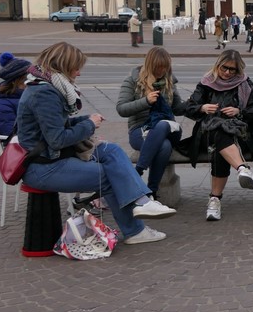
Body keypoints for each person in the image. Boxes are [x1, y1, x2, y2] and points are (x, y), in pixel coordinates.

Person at [17, 42, 175, 245]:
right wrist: (89, 125)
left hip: (50, 159)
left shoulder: (45, 86)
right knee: (107, 175)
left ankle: (143, 202)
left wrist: (83, 120)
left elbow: (55, 127)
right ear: (63, 67)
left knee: (111, 150)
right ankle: (135, 230)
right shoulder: (44, 94)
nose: (78, 73)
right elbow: (57, 140)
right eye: (76, 68)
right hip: (43, 167)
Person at [184, 50, 253, 222]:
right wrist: (203, 108)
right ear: (217, 65)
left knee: (220, 142)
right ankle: (242, 169)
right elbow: (189, 107)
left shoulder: (244, 83)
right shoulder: (206, 83)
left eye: (232, 70)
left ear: (238, 70)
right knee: (218, 132)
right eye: (224, 68)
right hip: (208, 133)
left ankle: (214, 200)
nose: (227, 72)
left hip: (242, 135)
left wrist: (239, 112)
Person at [116, 46, 187, 199]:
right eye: (158, 68)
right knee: (164, 146)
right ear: (150, 65)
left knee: (162, 124)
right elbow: (121, 109)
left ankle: (138, 172)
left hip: (168, 129)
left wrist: (195, 104)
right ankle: (152, 192)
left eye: (165, 68)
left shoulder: (169, 82)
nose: (161, 71)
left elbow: (178, 108)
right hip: (140, 130)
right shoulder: (132, 81)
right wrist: (145, 101)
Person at [0, 52, 30, 136]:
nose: (33, 82)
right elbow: (10, 133)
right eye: (28, 79)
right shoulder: (2, 104)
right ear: (15, 82)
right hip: (24, 145)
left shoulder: (28, 95)